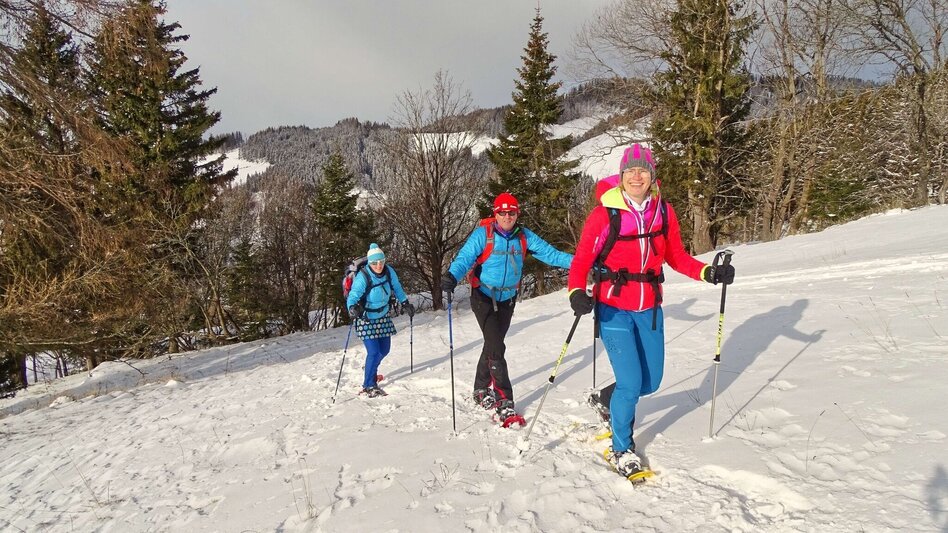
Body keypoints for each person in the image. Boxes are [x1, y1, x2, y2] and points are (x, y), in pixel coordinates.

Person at [567, 143, 735, 477]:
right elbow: (582, 259)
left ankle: (606, 399)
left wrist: (707, 272)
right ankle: (622, 448)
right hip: (613, 308)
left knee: (651, 381)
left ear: (652, 175)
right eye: (631, 170)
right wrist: (576, 291)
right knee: (630, 383)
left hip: (650, 307)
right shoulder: (605, 214)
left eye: (643, 170)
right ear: (621, 176)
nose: (637, 176)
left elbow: (676, 256)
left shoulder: (663, 211)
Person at [441, 192, 573, 421]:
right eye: (502, 212)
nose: (507, 216)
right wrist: (452, 276)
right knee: (496, 348)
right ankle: (505, 401)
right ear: (495, 213)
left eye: (511, 212)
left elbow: (551, 255)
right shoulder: (483, 235)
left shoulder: (524, 237)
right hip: (482, 296)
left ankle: (480, 389)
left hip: (507, 299)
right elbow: (464, 258)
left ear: (517, 214)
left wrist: (581, 262)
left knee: (494, 345)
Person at [346, 243, 415, 398]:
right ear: (370, 263)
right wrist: (352, 308)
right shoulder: (363, 276)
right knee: (374, 351)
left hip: (383, 315)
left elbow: (397, 288)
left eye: (381, 262)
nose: (378, 265)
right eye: (375, 263)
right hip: (366, 318)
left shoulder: (389, 271)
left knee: (384, 350)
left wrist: (405, 303)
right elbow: (354, 295)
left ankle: (370, 369)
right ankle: (369, 385)